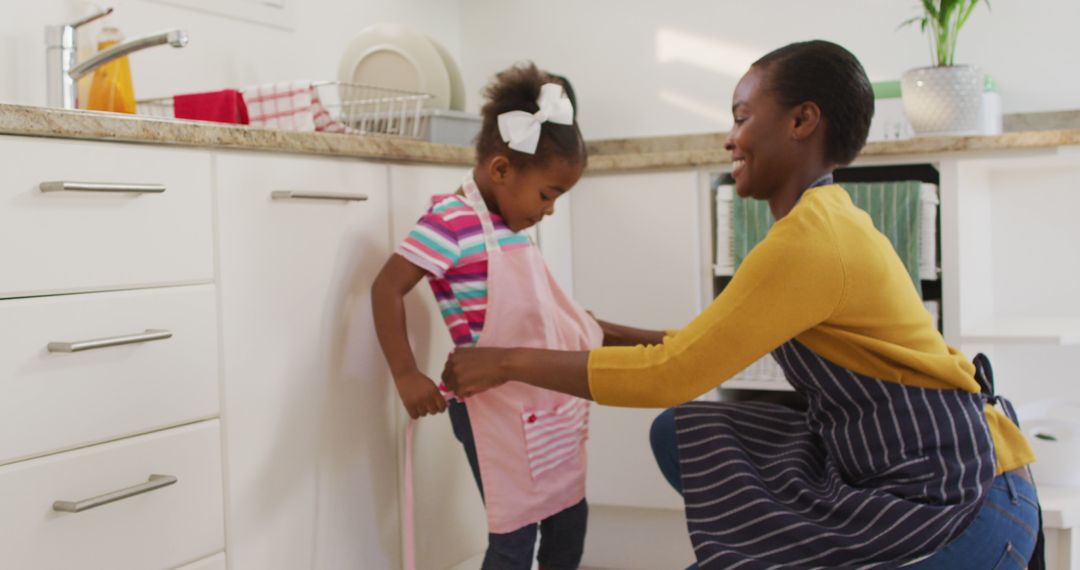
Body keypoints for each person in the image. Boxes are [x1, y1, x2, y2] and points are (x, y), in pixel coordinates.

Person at [441, 41, 1041, 569]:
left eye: (742, 116)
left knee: (681, 419)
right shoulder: (815, 223)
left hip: (959, 511)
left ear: (803, 121)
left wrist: (507, 361)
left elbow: (672, 373)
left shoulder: (812, 240)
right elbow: (699, 346)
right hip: (905, 468)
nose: (730, 136)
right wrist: (596, 331)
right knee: (686, 433)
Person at [372, 62, 601, 570]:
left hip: (540, 399)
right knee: (515, 532)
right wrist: (406, 374)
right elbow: (388, 286)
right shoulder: (451, 221)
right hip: (489, 409)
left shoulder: (509, 223)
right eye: (549, 194)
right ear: (501, 170)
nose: (550, 210)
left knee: (568, 516)